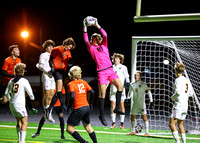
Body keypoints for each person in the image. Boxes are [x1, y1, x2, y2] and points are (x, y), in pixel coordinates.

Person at [83, 17, 124, 126]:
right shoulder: (91, 48)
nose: (98, 38)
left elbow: (105, 35)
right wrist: (85, 27)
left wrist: (97, 25)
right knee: (102, 94)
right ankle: (101, 115)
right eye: (95, 37)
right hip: (101, 72)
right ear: (93, 40)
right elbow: (86, 40)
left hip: (110, 70)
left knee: (120, 87)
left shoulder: (104, 45)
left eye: (98, 37)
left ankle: (117, 108)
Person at [0, 63, 35, 143]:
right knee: (24, 122)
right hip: (19, 105)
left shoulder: (11, 81)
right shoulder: (24, 81)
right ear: (22, 72)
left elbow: (6, 93)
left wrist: (9, 99)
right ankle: (22, 141)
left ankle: (19, 140)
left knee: (18, 121)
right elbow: (30, 92)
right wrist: (32, 98)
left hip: (12, 105)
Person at [1, 45, 37, 115]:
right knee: (4, 100)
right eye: (16, 50)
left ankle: (30, 108)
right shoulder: (7, 60)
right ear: (12, 52)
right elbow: (3, 72)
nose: (18, 51)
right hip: (9, 82)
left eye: (18, 49)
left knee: (25, 93)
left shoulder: (19, 60)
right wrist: (12, 76)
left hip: (17, 81)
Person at [66, 66, 97, 143]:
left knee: (69, 128)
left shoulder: (71, 84)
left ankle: (83, 142)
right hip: (86, 107)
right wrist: (91, 103)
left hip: (79, 108)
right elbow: (92, 92)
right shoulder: (84, 82)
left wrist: (69, 106)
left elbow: (72, 96)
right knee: (88, 127)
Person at [169, 62, 193, 143]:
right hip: (185, 105)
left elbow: (178, 92)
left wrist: (172, 97)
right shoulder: (187, 80)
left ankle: (178, 142)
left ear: (175, 70)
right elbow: (191, 93)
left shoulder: (177, 80)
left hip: (178, 105)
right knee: (180, 125)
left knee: (171, 124)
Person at [50, 38, 76, 110]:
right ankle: (62, 104)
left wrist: (70, 62)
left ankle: (50, 107)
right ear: (65, 44)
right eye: (68, 47)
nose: (69, 48)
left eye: (70, 48)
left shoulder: (68, 51)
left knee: (60, 89)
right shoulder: (57, 49)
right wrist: (52, 67)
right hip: (57, 70)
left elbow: (69, 59)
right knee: (59, 88)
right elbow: (51, 59)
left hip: (63, 71)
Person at [127, 70, 153, 136]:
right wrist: (127, 98)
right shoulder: (132, 84)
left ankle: (147, 132)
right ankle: (132, 131)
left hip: (142, 104)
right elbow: (129, 93)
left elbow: (149, 92)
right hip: (135, 104)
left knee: (144, 117)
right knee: (132, 117)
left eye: (137, 75)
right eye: (135, 75)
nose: (136, 76)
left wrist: (151, 101)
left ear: (140, 76)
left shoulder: (143, 84)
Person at [36, 39, 56, 122]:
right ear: (46, 47)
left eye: (52, 46)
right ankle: (46, 111)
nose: (51, 47)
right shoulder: (44, 55)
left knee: (52, 94)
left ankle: (49, 113)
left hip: (53, 77)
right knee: (47, 94)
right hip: (47, 76)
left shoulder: (54, 55)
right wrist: (47, 71)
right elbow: (40, 65)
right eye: (49, 46)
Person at [109, 53, 130, 129]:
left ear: (120, 59)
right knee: (113, 105)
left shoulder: (123, 67)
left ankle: (122, 123)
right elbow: (109, 77)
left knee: (121, 105)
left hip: (121, 89)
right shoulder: (111, 67)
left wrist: (128, 82)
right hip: (113, 88)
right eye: (114, 58)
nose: (115, 59)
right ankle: (113, 122)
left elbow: (127, 76)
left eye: (117, 58)